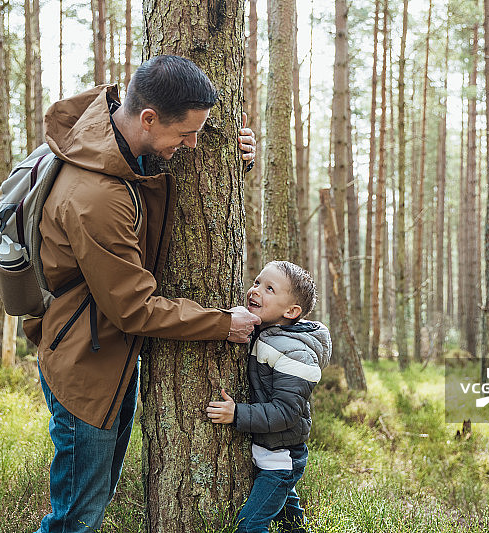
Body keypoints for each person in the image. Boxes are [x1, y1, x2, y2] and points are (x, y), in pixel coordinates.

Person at [23, 55, 261, 533]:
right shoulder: (96, 197)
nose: (193, 145)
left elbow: (153, 207)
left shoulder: (116, 141)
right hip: (84, 370)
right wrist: (222, 323)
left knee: (91, 503)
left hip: (107, 354)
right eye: (187, 134)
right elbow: (132, 308)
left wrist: (237, 165)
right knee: (77, 517)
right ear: (148, 118)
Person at [206, 261, 331, 533]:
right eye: (257, 282)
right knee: (290, 522)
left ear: (291, 311)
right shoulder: (266, 332)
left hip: (281, 459)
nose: (256, 290)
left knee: (249, 526)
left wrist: (237, 414)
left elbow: (286, 412)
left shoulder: (296, 354)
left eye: (269, 288)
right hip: (271, 450)